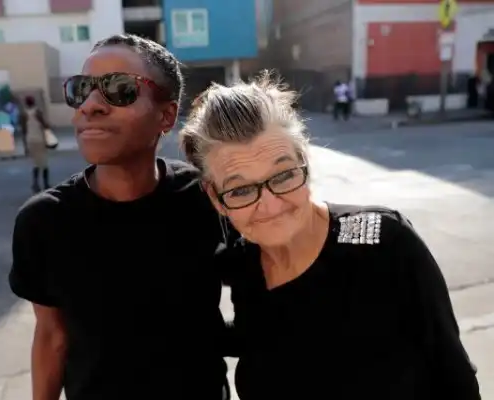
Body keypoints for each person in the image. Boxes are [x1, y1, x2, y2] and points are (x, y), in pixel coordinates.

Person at [179, 72, 481, 400]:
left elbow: (456, 378)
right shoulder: (242, 265)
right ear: (215, 198)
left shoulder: (383, 243)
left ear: (304, 161)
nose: (270, 205)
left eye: (283, 176)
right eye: (240, 190)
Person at [9, 34, 231, 400]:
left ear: (166, 115)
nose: (90, 105)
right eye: (81, 89)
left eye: (119, 89)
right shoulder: (44, 221)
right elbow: (51, 335)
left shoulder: (205, 196)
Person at [20, 95, 51, 193]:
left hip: (30, 140)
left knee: (35, 163)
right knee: (44, 162)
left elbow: (23, 131)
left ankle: (35, 184)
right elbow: (45, 125)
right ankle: (46, 183)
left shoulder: (23, 114)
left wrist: (25, 146)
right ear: (34, 102)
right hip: (40, 139)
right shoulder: (37, 112)